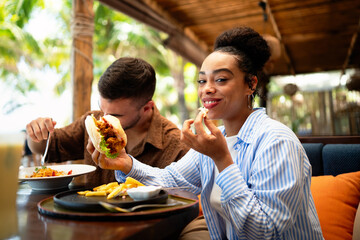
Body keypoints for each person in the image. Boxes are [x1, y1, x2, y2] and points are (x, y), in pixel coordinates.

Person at [87, 27, 324, 239]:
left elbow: (263, 232)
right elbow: (171, 182)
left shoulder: (276, 140)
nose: (208, 89)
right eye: (202, 81)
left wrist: (222, 159)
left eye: (221, 79)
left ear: (251, 84)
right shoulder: (213, 140)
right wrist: (125, 163)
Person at [26, 57, 190, 188]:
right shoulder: (93, 122)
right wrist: (37, 132)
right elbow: (45, 147)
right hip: (89, 222)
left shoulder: (176, 145)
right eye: (101, 108)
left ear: (147, 108)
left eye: (115, 115)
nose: (104, 118)